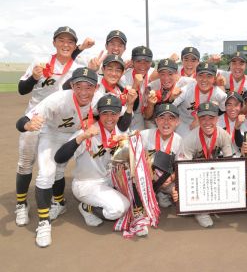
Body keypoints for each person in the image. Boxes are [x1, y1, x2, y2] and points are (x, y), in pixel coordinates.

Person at [15, 67, 136, 247]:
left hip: (79, 133)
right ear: (71, 85)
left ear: (96, 88)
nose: (84, 92)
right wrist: (29, 125)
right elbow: (21, 121)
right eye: (79, 86)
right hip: (53, 135)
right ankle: (43, 223)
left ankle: (60, 203)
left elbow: (120, 122)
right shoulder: (57, 99)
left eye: (89, 87)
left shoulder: (97, 99)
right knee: (47, 172)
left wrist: (130, 106)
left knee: (60, 171)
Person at [14, 26, 88, 227]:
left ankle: (58, 201)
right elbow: (22, 89)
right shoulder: (41, 63)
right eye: (61, 40)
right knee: (25, 162)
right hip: (36, 119)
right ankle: (21, 204)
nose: (65, 44)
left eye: (70, 42)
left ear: (74, 46)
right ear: (54, 42)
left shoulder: (77, 66)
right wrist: (34, 78)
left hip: (60, 124)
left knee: (55, 166)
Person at [53, 94, 149, 236]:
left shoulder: (120, 130)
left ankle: (137, 219)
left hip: (111, 179)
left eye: (113, 114)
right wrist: (82, 137)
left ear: (118, 114)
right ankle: (87, 208)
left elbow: (129, 150)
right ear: (99, 114)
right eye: (105, 114)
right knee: (118, 209)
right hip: (88, 184)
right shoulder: (87, 132)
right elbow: (59, 158)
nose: (110, 118)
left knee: (141, 182)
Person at [176, 102, 234, 227]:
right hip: (195, 175)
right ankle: (200, 211)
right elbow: (182, 169)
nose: (207, 122)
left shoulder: (223, 135)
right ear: (197, 118)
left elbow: (230, 162)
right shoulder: (190, 139)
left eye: (211, 118)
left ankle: (218, 203)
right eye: (203, 118)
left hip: (214, 171)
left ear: (217, 119)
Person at [139, 103, 182, 208]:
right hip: (146, 179)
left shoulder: (179, 140)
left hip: (167, 180)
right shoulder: (144, 135)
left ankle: (162, 193)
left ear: (177, 122)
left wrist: (171, 178)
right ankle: (151, 194)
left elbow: (180, 165)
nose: (166, 122)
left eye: (171, 118)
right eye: (162, 118)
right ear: (156, 121)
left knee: (180, 191)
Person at [172, 62, 227, 136]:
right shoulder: (186, 90)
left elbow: (224, 110)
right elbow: (171, 107)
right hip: (185, 121)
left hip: (206, 122)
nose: (204, 79)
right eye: (201, 75)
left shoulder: (219, 94)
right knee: (185, 142)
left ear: (214, 79)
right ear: (196, 77)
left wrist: (215, 108)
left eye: (209, 76)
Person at [119, 46, 154, 130]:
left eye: (146, 61)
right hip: (130, 114)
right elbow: (129, 106)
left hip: (146, 114)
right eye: (138, 61)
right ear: (132, 62)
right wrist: (135, 85)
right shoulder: (123, 78)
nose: (143, 65)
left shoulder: (153, 73)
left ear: (151, 62)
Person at [217, 91, 245, 155]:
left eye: (236, 105)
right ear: (225, 106)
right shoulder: (217, 121)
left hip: (239, 158)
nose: (232, 108)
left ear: (241, 107)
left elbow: (241, 144)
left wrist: (237, 128)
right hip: (221, 158)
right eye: (229, 105)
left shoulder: (244, 121)